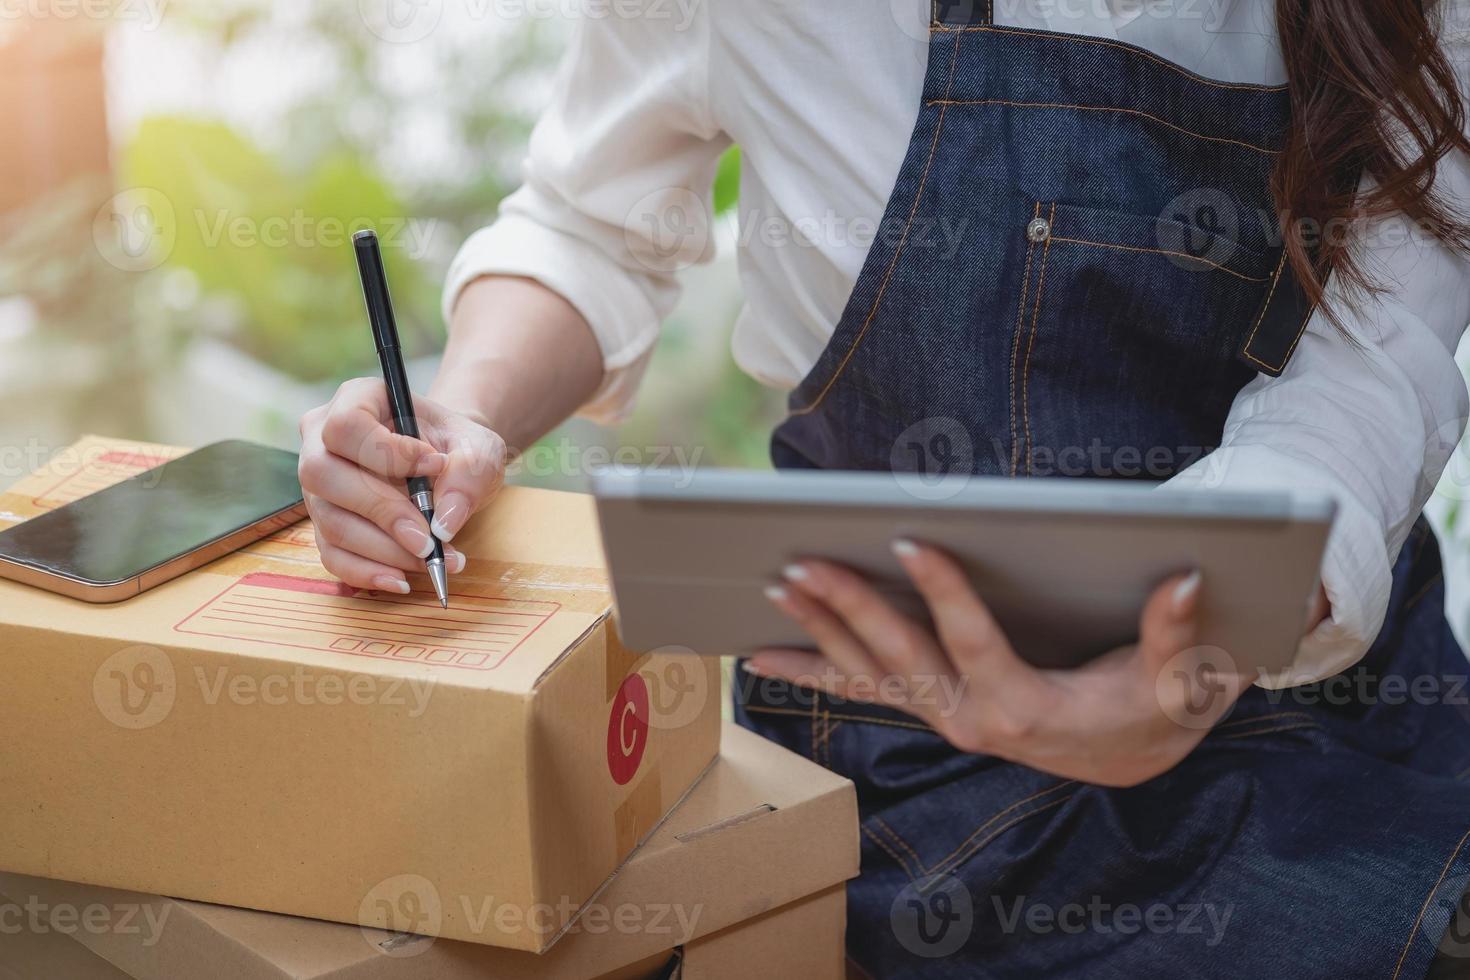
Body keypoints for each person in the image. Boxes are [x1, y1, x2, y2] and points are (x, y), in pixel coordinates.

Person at [298, 2, 1470, 974]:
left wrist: (1200, 654)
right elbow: (589, 224)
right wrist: (467, 412)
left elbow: (1371, 376)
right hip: (902, 745)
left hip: (1314, 699)